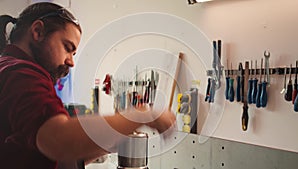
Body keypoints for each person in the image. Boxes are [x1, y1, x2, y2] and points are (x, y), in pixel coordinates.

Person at [0, 2, 176, 169]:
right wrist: (142, 115)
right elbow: (58, 141)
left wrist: (107, 142)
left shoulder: (11, 69)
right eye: (67, 47)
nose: (71, 62)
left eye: (74, 53)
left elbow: (46, 155)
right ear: (38, 32)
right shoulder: (21, 74)